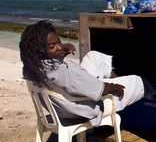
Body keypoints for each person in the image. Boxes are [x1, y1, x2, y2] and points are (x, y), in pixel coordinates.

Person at [20, 20, 148, 126]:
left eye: (59, 42)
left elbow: (75, 81)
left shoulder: (32, 67)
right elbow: (100, 89)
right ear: (40, 50)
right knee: (137, 81)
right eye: (52, 45)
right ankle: (148, 94)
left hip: (63, 109)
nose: (59, 47)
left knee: (93, 56)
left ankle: (121, 85)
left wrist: (61, 50)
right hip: (86, 108)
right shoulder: (62, 72)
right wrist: (115, 86)